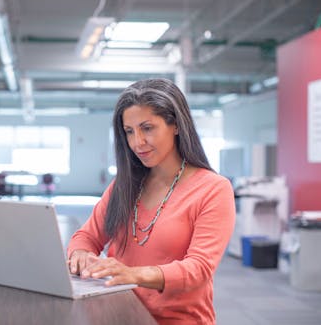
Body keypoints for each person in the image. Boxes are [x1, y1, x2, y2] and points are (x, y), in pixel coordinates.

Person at [67, 78, 235, 325]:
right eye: (129, 131)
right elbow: (87, 236)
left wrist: (133, 274)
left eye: (147, 128)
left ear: (176, 125)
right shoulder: (124, 185)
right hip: (117, 313)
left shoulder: (212, 189)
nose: (137, 143)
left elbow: (199, 269)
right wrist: (80, 253)